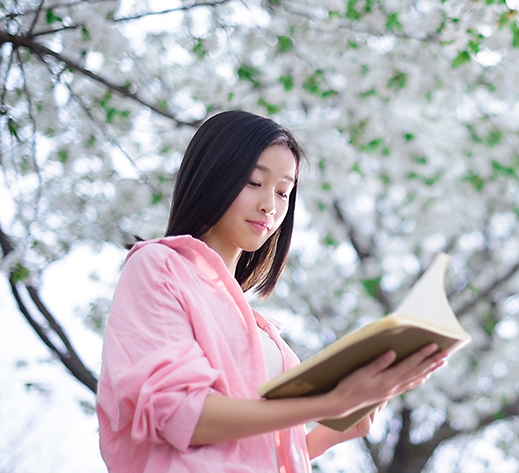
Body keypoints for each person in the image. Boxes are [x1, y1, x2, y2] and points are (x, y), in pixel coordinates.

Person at [95, 111, 448, 473]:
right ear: (213, 176)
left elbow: (248, 452)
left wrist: (331, 431)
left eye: (283, 191)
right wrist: (329, 401)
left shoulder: (258, 326)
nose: (271, 205)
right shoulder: (159, 266)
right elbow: (178, 413)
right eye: (253, 182)